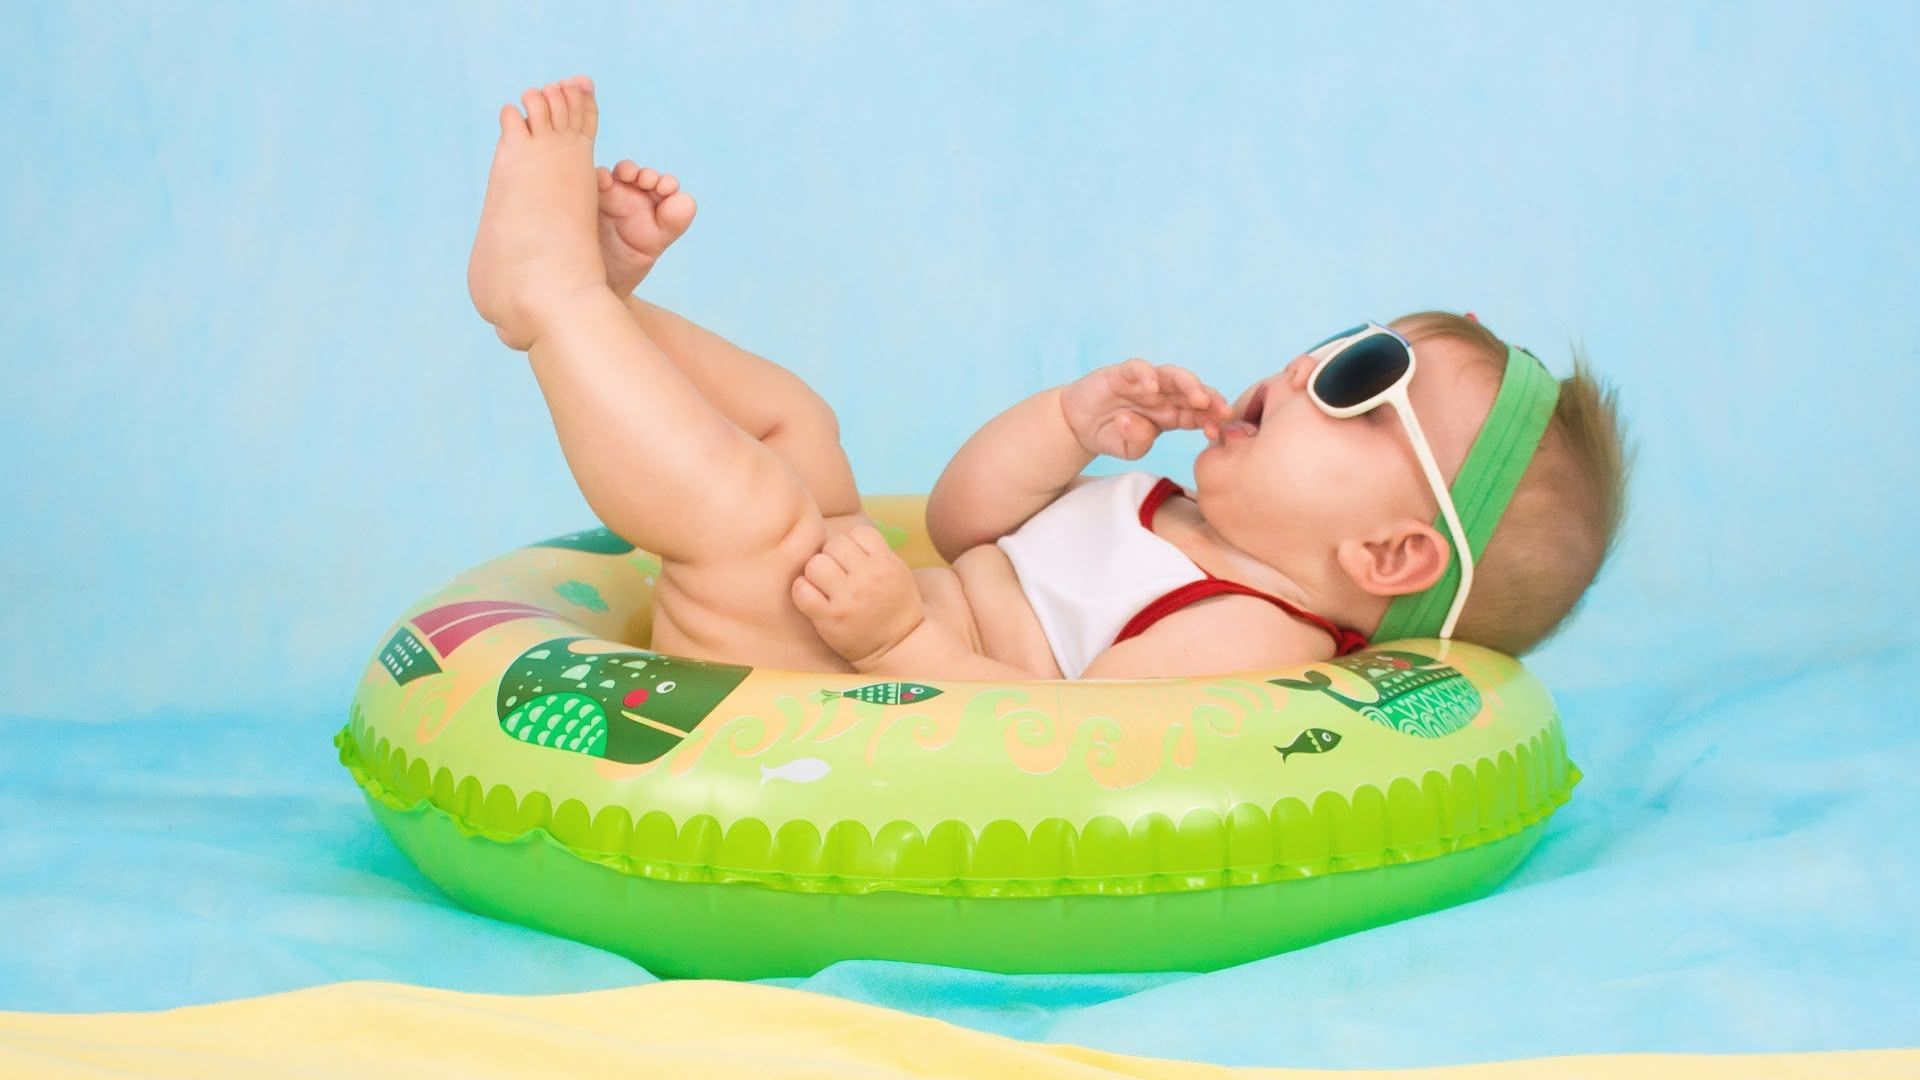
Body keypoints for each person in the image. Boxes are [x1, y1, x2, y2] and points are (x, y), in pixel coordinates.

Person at [467, 76, 1630, 681]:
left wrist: (891, 646)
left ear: (1388, 556)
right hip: (862, 611)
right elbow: (966, 521)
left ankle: (550, 300)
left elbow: (1058, 742)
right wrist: (1069, 423)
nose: (1308, 361)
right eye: (1343, 337)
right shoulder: (1167, 514)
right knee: (798, 424)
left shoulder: (1244, 636)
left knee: (755, 514)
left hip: (823, 675)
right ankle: (613, 304)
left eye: (1358, 382)